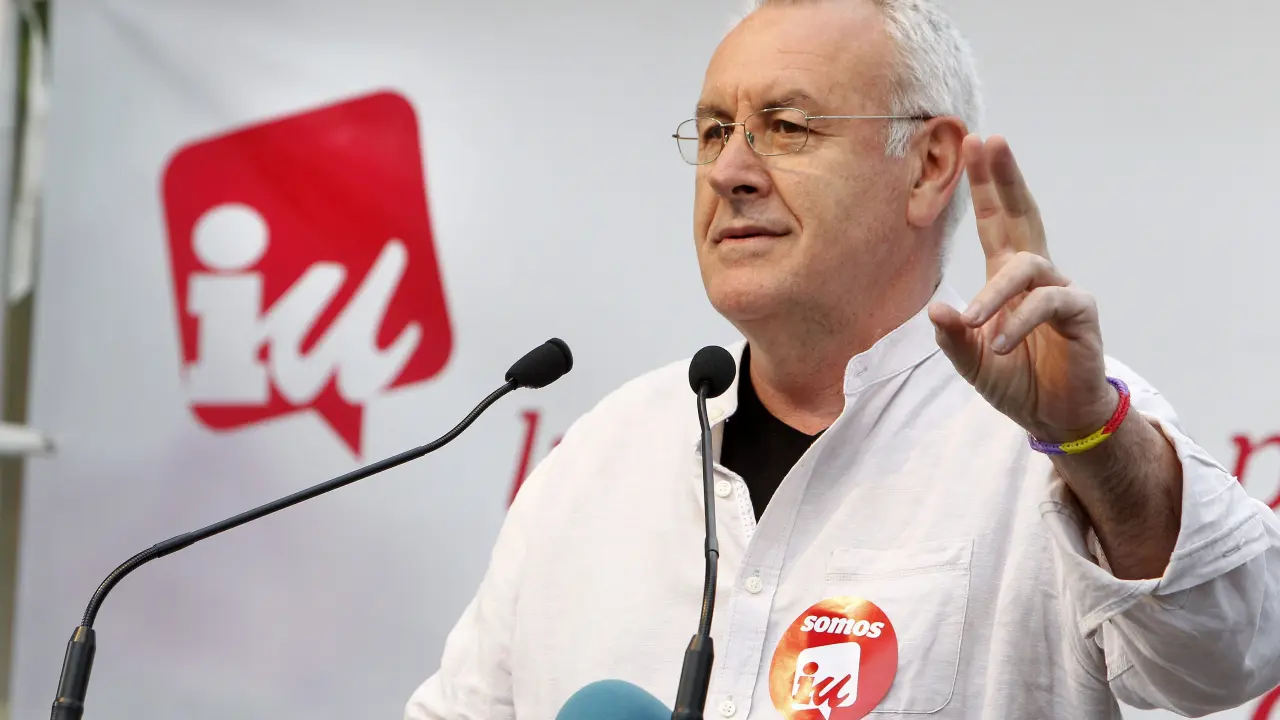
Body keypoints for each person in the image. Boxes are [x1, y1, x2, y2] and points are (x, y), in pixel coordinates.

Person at [405, 0, 1280, 717]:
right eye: (713, 131)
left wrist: (1094, 442)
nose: (729, 172)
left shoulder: (1062, 428)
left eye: (785, 127)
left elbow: (1227, 658)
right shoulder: (599, 458)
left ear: (928, 165)